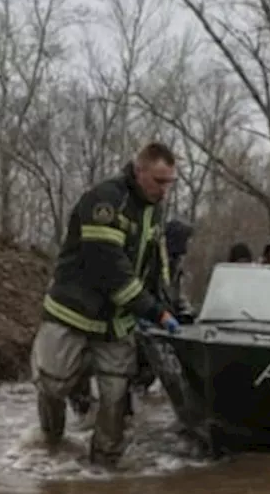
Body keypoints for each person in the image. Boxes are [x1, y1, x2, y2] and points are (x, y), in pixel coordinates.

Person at [29, 141, 182, 468]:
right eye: (159, 181)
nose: (164, 190)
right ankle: (49, 446)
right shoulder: (105, 201)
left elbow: (157, 263)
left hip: (117, 322)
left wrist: (168, 303)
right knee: (53, 383)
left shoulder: (154, 208)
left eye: (170, 182)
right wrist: (154, 311)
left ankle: (104, 468)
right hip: (72, 312)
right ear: (139, 171)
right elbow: (109, 270)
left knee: (115, 394)